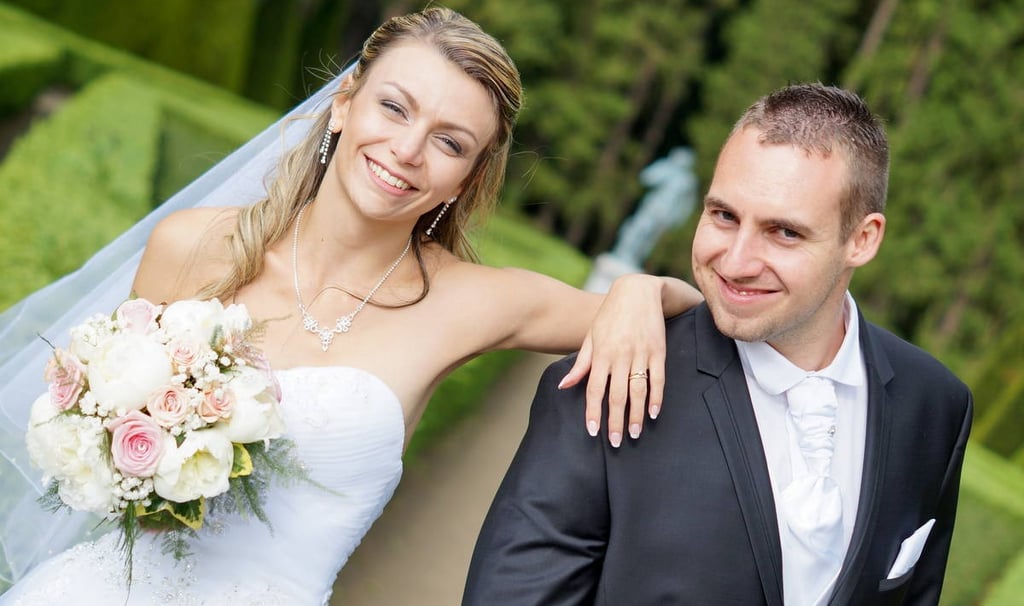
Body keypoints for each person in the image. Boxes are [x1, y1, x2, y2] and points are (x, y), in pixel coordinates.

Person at [0, 7, 704, 605]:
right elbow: (96, 464)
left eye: (450, 142)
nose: (406, 150)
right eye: (394, 107)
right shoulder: (188, 246)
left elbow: (696, 314)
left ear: (469, 177)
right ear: (344, 102)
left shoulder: (474, 303)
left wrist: (642, 289)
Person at [463, 83, 973, 605]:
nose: (734, 262)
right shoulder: (603, 388)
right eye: (724, 216)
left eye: (784, 233)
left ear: (862, 239)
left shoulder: (936, 406)